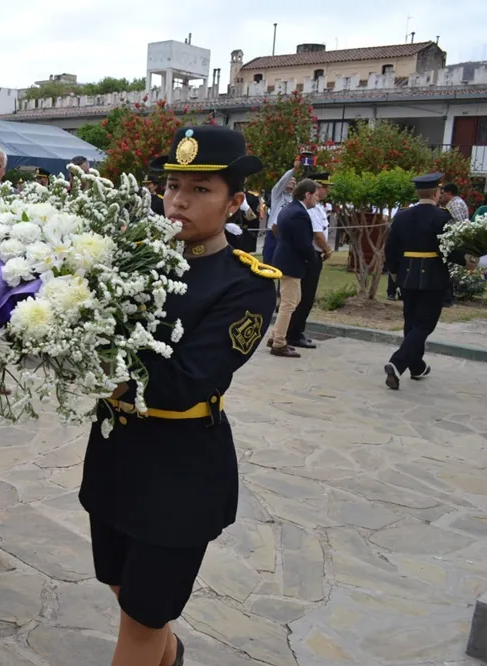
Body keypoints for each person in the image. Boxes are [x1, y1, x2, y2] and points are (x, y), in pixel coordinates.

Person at [81, 125, 278, 666]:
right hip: (114, 455)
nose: (179, 202)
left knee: (143, 616)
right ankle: (171, 657)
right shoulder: (129, 263)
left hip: (179, 470)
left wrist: (82, 354)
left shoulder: (248, 283)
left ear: (235, 201)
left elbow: (187, 378)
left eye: (201, 189)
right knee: (124, 590)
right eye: (172, 186)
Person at [384, 173, 473, 390]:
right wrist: (468, 261)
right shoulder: (442, 217)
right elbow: (449, 248)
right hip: (433, 276)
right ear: (436, 193)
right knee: (424, 324)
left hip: (407, 275)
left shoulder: (402, 216)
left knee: (411, 321)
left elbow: (391, 247)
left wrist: (394, 272)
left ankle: (417, 366)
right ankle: (397, 363)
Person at [267, 179, 319, 358]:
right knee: (289, 303)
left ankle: (275, 335)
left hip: (286, 260)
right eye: (316, 196)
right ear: (308, 195)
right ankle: (279, 342)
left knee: (292, 300)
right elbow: (304, 243)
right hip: (291, 262)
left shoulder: (289, 208)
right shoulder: (298, 213)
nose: (317, 200)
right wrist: (313, 260)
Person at [286, 173, 334, 349]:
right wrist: (327, 249)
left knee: (307, 296)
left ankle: (297, 331)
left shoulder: (318, 207)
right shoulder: (310, 209)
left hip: (315, 254)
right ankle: (294, 334)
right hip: (311, 255)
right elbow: (317, 234)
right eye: (324, 187)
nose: (327, 190)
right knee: (304, 297)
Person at [264, 158, 299, 264]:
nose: (292, 182)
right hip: (273, 234)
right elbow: (282, 181)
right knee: (269, 265)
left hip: (288, 235)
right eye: (290, 180)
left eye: (294, 181)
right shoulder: (277, 195)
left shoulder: (294, 199)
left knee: (285, 266)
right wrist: (294, 170)